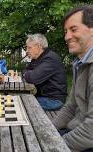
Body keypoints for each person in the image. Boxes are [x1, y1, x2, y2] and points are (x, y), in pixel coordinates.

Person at [52, 5, 93, 152]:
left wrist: (53, 145)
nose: (67, 36)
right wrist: (49, 130)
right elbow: (70, 108)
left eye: (73, 30)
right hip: (75, 132)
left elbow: (91, 132)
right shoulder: (80, 64)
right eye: (66, 31)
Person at [23, 34, 67, 110]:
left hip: (53, 100)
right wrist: (27, 73)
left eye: (29, 48)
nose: (27, 51)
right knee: (21, 100)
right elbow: (26, 70)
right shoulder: (37, 58)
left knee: (22, 103)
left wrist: (27, 74)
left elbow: (33, 78)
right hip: (44, 97)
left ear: (39, 46)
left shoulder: (50, 59)